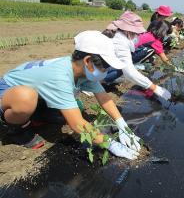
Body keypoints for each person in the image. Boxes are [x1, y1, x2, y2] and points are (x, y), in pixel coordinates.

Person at [0, 31, 141, 160]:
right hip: (9, 92)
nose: (105, 71)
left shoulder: (82, 72)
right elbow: (77, 124)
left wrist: (122, 125)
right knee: (26, 97)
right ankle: (16, 129)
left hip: (36, 95)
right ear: (87, 61)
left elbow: (103, 97)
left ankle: (35, 114)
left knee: (71, 111)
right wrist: (110, 144)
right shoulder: (60, 76)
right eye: (104, 67)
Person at [102, 11, 172, 101]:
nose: (137, 35)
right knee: (122, 69)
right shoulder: (120, 40)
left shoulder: (120, 35)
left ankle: (101, 80)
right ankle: (101, 82)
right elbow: (129, 72)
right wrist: (155, 88)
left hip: (101, 64)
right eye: (135, 32)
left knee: (120, 67)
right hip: (94, 69)